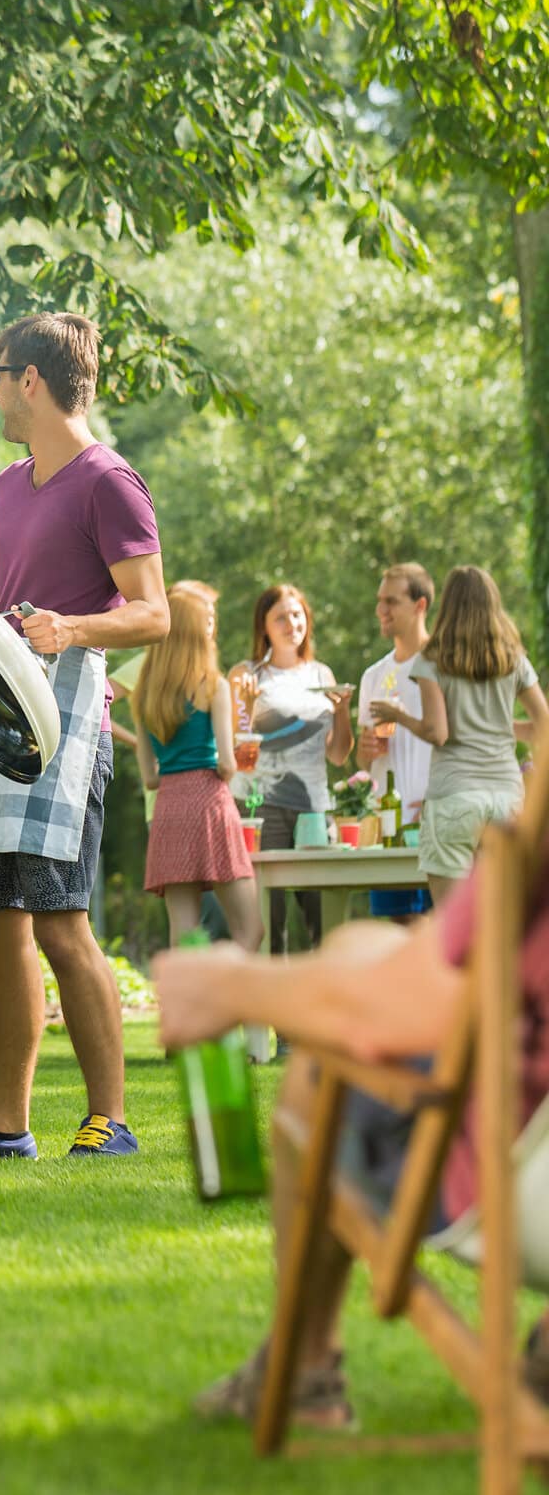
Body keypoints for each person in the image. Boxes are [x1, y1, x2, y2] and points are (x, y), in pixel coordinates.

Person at [153, 852, 549, 1432]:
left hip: (521, 1196)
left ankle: (302, 1374)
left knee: (329, 1061)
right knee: (360, 947)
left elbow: (402, 1011)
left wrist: (231, 985)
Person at [0, 312, 169, 1160]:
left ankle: (110, 1119)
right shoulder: (6, 485)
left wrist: (69, 630)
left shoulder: (109, 481)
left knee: (62, 921)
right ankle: (7, 1129)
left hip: (69, 730)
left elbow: (154, 612)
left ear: (29, 379)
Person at [370, 565, 549, 907]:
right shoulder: (513, 659)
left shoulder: (433, 659)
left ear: (448, 605)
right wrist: (498, 726)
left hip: (455, 796)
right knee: (503, 921)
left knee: (450, 932)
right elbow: (543, 726)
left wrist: (399, 717)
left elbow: (438, 733)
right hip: (506, 798)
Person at [132, 586, 261, 953]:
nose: (212, 629)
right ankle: (232, 1005)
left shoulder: (145, 694)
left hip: (169, 807)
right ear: (196, 630)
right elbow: (226, 764)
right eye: (208, 621)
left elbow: (150, 777)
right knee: (250, 929)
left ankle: (189, 1009)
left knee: (185, 934)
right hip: (209, 803)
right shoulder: (214, 686)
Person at [233, 584, 353, 956]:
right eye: (280, 617)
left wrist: (344, 711)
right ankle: (272, 1011)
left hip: (314, 808)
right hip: (260, 808)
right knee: (270, 921)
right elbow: (239, 760)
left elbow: (338, 756)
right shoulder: (246, 675)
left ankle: (326, 1009)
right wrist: (249, 710)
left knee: (324, 916)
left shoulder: (322, 674)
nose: (291, 623)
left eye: (297, 614)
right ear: (263, 627)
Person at [355, 562, 435, 921]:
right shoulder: (374, 676)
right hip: (388, 832)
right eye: (378, 601)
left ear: (420, 606)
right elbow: (364, 761)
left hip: (437, 828)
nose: (380, 610)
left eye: (392, 601)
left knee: (442, 939)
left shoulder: (446, 667)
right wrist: (365, 751)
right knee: (396, 933)